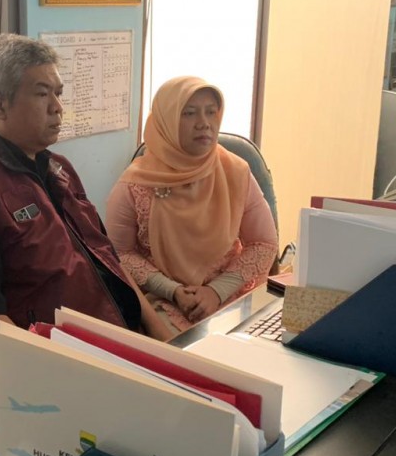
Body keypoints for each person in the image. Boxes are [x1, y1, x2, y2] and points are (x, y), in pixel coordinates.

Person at [0, 33, 178, 379]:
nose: (57, 107)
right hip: (45, 370)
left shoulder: (57, 169)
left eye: (58, 93)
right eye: (41, 94)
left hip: (110, 345)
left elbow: (107, 260)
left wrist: (166, 342)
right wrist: (61, 379)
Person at [106, 77, 278, 327]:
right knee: (183, 348)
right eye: (189, 113)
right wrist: (173, 291)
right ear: (166, 121)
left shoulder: (235, 172)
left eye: (211, 112)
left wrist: (216, 291)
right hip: (164, 300)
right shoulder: (134, 185)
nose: (204, 123)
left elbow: (264, 243)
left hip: (231, 294)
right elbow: (119, 253)